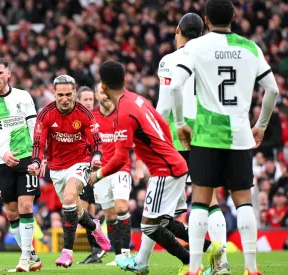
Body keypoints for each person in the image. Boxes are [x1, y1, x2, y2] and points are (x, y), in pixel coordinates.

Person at [169, 1, 279, 274]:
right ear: (233, 17)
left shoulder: (195, 47)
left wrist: (181, 123)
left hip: (206, 136)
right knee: (243, 201)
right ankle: (252, 268)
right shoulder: (250, 47)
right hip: (240, 135)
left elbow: (176, 86)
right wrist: (261, 125)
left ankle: (194, 269)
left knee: (201, 202)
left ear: (205, 20)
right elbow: (273, 91)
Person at [88, 61, 220, 275]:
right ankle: (207, 249)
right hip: (173, 164)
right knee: (164, 221)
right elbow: (164, 124)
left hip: (165, 171)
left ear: (102, 86)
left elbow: (121, 157)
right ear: (124, 80)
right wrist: (167, 151)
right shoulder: (137, 99)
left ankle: (192, 262)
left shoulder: (123, 113)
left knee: (149, 225)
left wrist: (99, 174)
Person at [157, 13, 230, 274]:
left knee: (159, 206)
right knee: (209, 200)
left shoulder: (170, 60)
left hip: (178, 137)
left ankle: (188, 263)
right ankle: (221, 261)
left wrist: (153, 133)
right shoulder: (213, 58)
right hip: (210, 133)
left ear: (178, 30)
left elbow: (164, 105)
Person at [27, 75, 111, 268]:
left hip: (80, 162)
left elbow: (96, 141)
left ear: (74, 93)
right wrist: (36, 162)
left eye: (68, 94)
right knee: (77, 211)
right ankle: (95, 227)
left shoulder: (84, 114)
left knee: (69, 198)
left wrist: (96, 157)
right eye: (60, 95)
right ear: (54, 94)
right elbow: (39, 143)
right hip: (56, 168)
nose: (64, 99)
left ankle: (67, 252)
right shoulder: (45, 114)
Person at [0, 57, 42, 272]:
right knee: (12, 213)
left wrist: (37, 156)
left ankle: (24, 258)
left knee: (25, 206)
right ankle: (31, 255)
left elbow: (34, 126)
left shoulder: (23, 97)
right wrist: (3, 154)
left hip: (26, 158)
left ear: (8, 74)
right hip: (1, 161)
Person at [92, 82, 132, 266]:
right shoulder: (91, 117)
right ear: (96, 95)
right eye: (102, 91)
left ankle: (126, 252)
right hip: (99, 172)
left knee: (121, 206)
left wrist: (139, 167)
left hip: (120, 168)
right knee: (109, 215)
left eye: (108, 90)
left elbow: (137, 142)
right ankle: (118, 257)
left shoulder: (123, 114)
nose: (105, 94)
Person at [76, 86, 106, 264]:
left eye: (90, 99)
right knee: (89, 213)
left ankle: (100, 246)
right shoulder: (76, 118)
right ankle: (96, 250)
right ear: (78, 100)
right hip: (83, 170)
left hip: (90, 171)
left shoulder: (96, 119)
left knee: (80, 212)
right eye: (85, 99)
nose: (88, 102)